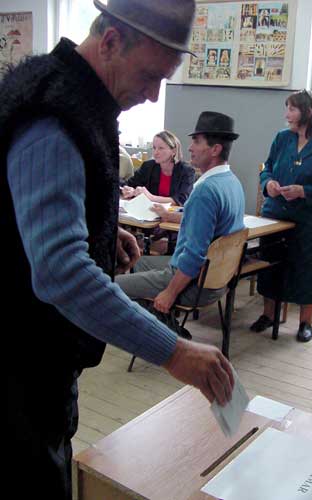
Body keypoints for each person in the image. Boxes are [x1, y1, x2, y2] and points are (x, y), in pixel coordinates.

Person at [2, 2, 235, 499]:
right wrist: (173, 351)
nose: (153, 96)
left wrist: (104, 233)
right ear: (109, 42)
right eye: (151, 76)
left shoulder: (82, 98)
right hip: (17, 371)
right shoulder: (53, 118)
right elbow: (61, 274)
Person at [116, 111, 245, 323]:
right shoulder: (231, 182)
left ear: (215, 149)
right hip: (218, 278)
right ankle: (167, 326)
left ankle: (163, 333)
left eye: (196, 141)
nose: (190, 148)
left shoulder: (205, 191)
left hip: (194, 284)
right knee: (139, 262)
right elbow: (197, 221)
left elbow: (194, 256)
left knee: (114, 285)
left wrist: (170, 293)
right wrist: (169, 215)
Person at [250, 90, 312, 342]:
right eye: (287, 108)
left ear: (308, 112)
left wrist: (304, 191)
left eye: (292, 109)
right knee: (270, 264)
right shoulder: (282, 138)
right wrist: (268, 182)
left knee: (308, 271)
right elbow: (267, 168)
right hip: (276, 216)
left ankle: (305, 323)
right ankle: (268, 314)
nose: (286, 114)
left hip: (311, 221)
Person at [121, 129, 195, 205]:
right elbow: (129, 184)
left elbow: (182, 199)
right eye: (154, 148)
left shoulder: (186, 171)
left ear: (174, 151)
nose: (155, 152)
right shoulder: (148, 166)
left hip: (173, 214)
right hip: (149, 213)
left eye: (161, 148)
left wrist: (151, 197)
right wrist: (128, 189)